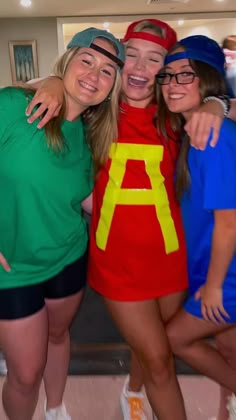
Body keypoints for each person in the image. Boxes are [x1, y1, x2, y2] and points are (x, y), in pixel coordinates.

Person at [22, 20, 236, 420]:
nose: (139, 67)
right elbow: (40, 91)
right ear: (119, 63)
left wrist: (217, 103)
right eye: (131, 55)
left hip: (172, 259)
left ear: (166, 68)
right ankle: (144, 391)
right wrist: (52, 78)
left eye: (154, 59)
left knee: (152, 348)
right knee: (158, 357)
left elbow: (222, 111)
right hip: (118, 261)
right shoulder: (96, 110)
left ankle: (134, 392)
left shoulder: (175, 114)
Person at [0, 27, 124, 420]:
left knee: (57, 336)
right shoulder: (11, 106)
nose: (94, 75)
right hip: (12, 270)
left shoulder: (91, 137)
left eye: (107, 71)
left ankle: (56, 408)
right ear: (66, 62)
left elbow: (82, 198)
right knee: (25, 372)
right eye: (86, 60)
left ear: (112, 88)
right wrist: (46, 82)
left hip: (69, 257)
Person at [156, 34, 236, 420]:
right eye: (167, 77)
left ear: (207, 79)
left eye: (184, 75)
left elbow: (228, 224)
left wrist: (217, 285)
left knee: (174, 339)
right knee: (229, 347)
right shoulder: (192, 131)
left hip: (229, 274)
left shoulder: (213, 138)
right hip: (210, 267)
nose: (172, 85)